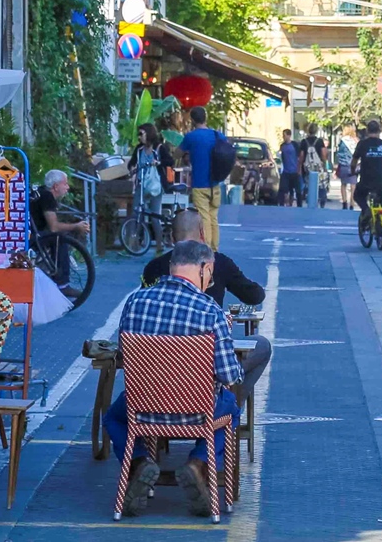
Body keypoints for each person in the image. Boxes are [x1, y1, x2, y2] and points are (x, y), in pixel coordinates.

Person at [106, 240, 242, 518]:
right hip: (197, 411)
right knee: (231, 408)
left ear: (171, 266)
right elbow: (229, 375)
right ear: (205, 269)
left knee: (113, 418)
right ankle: (198, 463)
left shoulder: (135, 302)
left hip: (142, 409)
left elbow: (124, 356)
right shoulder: (210, 311)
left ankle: (139, 462)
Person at [142, 209, 272, 396]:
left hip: (152, 387)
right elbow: (255, 296)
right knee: (259, 346)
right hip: (199, 384)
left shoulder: (140, 296)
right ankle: (229, 405)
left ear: (171, 238)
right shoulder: (212, 309)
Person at [179, 106, 224, 249]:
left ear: (192, 120)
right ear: (206, 118)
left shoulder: (191, 137)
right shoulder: (217, 135)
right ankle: (215, 250)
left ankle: (207, 249)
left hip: (199, 184)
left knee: (204, 218)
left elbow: (177, 154)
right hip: (215, 183)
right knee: (213, 218)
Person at [350, 119, 382, 224]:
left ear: (367, 131)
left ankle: (366, 210)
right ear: (379, 131)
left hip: (366, 180)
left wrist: (353, 171)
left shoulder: (362, 144)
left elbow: (354, 161)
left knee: (357, 195)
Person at [277, 128, 302, 207]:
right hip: (286, 171)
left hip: (294, 171)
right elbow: (281, 157)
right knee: (282, 189)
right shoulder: (282, 146)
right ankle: (281, 204)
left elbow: (299, 157)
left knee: (298, 190)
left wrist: (299, 169)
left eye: (284, 136)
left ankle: (299, 205)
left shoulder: (294, 145)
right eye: (283, 136)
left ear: (289, 135)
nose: (283, 137)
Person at [334, 125, 357, 209]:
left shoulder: (342, 141)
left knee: (343, 184)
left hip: (343, 165)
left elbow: (339, 153)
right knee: (353, 185)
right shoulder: (355, 140)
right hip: (353, 165)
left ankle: (344, 202)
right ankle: (352, 203)